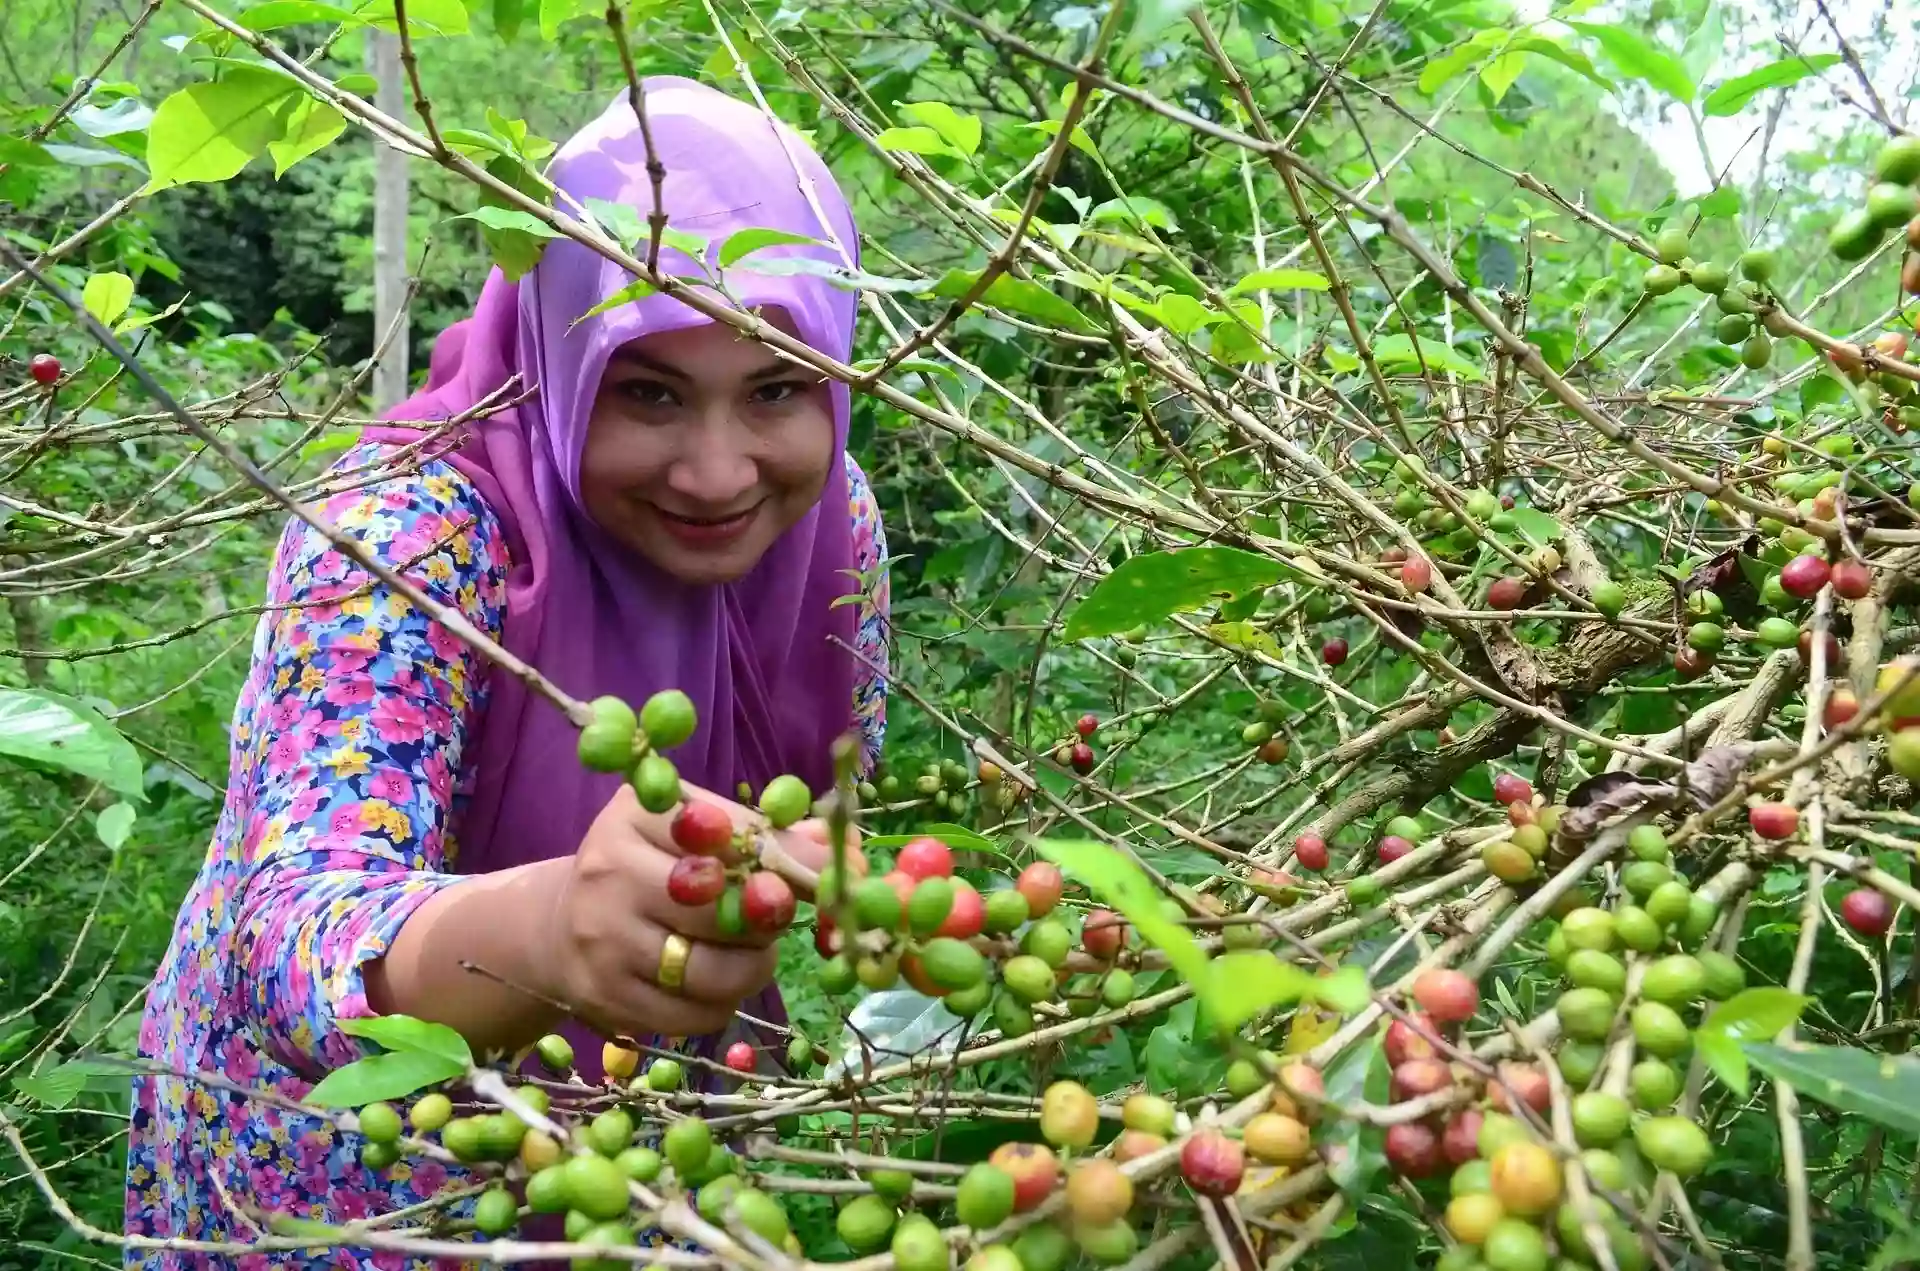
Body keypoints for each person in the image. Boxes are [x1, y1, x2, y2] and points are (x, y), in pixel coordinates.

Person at [123, 77, 889, 1267]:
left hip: (635, 1145)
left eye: (779, 386)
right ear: (553, 355)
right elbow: (285, 929)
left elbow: (827, 818)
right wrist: (549, 933)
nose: (718, 471)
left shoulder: (837, 534)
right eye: (647, 391)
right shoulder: (407, 538)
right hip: (347, 1181)